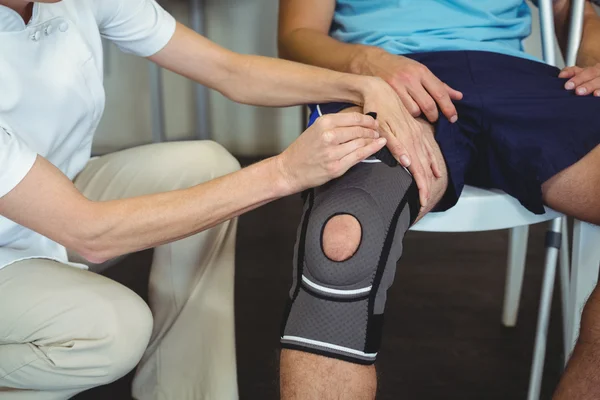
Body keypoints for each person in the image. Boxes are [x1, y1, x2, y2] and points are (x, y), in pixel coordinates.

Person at [0, 0, 425, 398]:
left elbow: (230, 71)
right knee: (111, 330)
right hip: (44, 229)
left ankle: (184, 390)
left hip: (50, 198)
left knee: (205, 164)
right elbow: (91, 233)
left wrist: (362, 86)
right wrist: (284, 171)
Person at [277, 0, 600, 398]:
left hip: (517, 79)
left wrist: (596, 56)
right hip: (386, 80)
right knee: (344, 239)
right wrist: (367, 61)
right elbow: (296, 35)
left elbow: (572, 10)